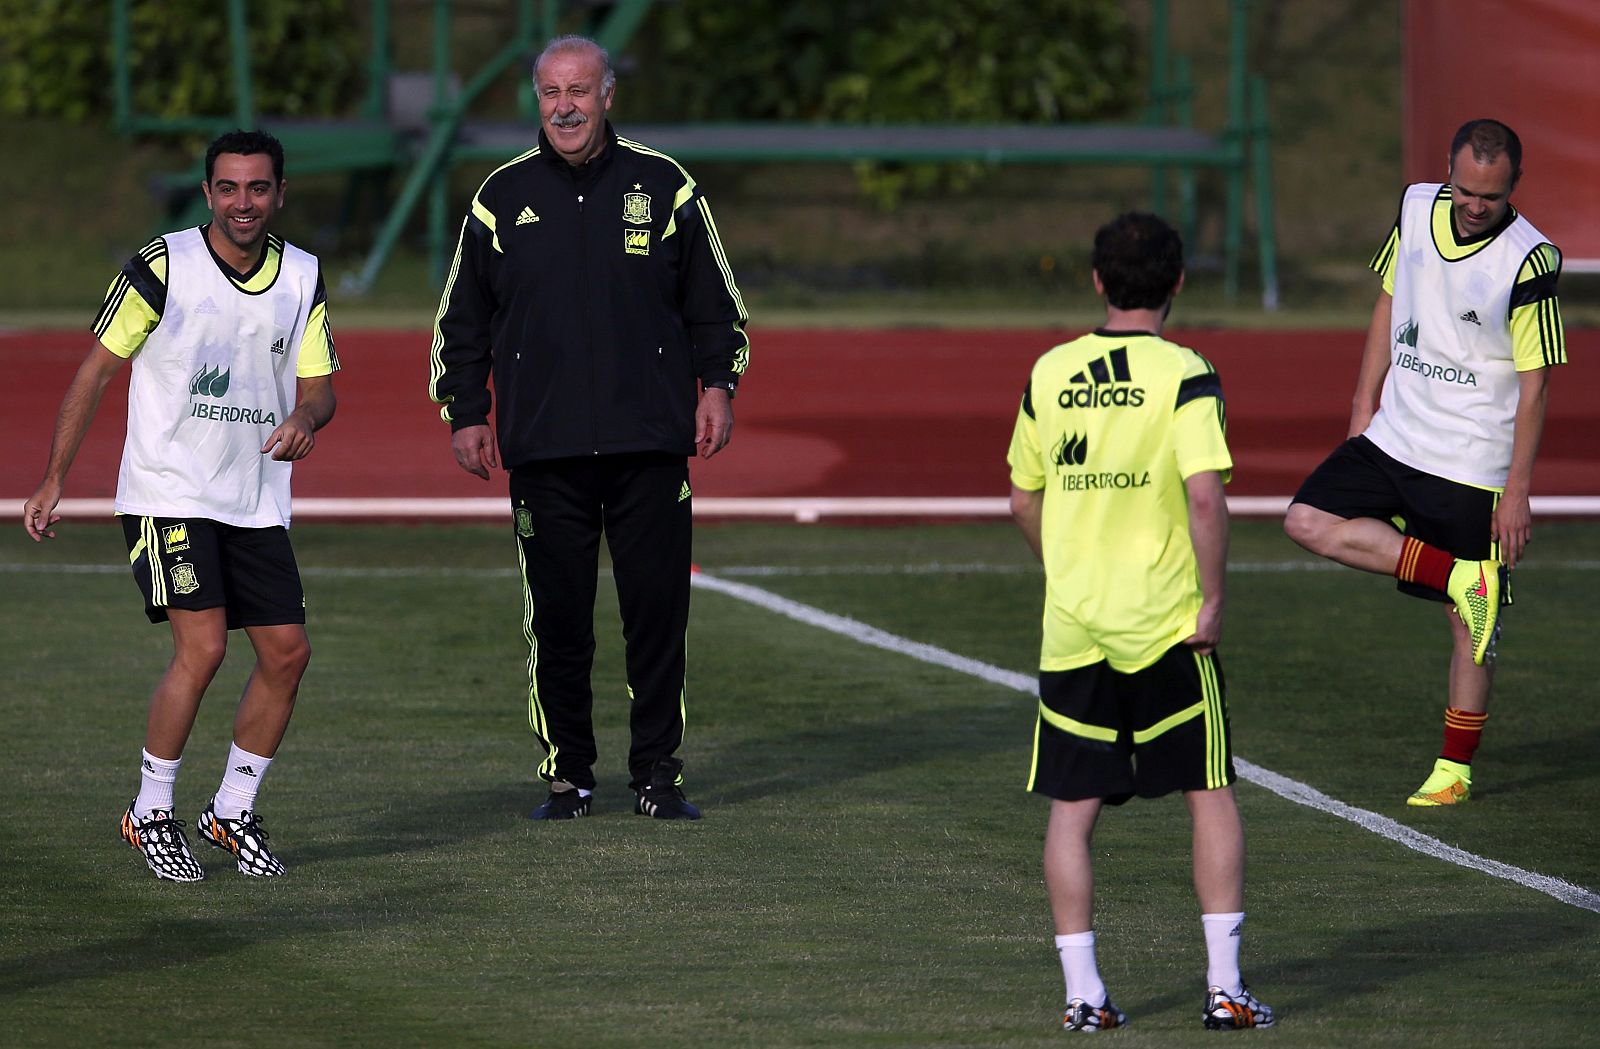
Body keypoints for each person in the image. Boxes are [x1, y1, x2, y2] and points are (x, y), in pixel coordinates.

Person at [429, 35, 749, 822]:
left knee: (656, 619)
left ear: (608, 95)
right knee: (560, 622)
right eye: (549, 92)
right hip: (545, 448)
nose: (564, 106)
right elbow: (460, 323)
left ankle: (658, 777)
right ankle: (568, 775)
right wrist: (467, 412)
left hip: (649, 443)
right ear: (536, 100)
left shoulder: (665, 185)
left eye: (578, 90)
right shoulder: (498, 198)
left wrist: (719, 385)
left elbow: (716, 305)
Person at [22, 129, 339, 881]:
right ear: (207, 193)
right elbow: (97, 372)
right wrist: (53, 476)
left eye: (258, 188)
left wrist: (306, 418)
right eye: (227, 188)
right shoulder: (162, 265)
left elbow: (320, 385)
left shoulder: (301, 274)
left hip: (255, 498)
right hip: (168, 492)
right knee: (203, 647)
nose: (243, 202)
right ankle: (151, 811)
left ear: (280, 194)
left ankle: (230, 810)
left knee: (288, 653)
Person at [1007, 213, 1273, 1032]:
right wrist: (1215, 597)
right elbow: (1204, 496)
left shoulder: (1050, 371)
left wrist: (1070, 568)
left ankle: (1084, 995)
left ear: (1096, 280)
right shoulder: (1187, 372)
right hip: (1168, 623)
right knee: (1209, 791)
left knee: (1072, 806)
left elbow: (1023, 496)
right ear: (1178, 282)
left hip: (1076, 623)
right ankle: (1224, 988)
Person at [1284, 119, 1565, 807]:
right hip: (1395, 435)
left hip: (1471, 458)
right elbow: (1389, 299)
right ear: (1448, 169)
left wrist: (1517, 492)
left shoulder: (1532, 261)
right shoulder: (1415, 205)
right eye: (1466, 189)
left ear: (1513, 189)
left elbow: (1537, 382)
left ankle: (1454, 769)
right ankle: (1462, 575)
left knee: (1466, 624)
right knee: (1306, 520)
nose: (1475, 205)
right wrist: (1362, 404)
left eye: (1490, 197)